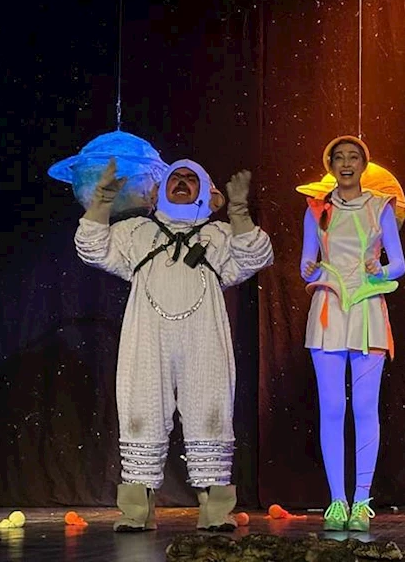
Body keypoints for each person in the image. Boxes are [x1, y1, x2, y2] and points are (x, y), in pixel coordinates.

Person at [75, 156, 274, 532]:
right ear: (156, 193)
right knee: (141, 412)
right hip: (147, 337)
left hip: (204, 338)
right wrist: (101, 204)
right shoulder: (136, 232)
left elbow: (257, 256)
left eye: (191, 178)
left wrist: (238, 213)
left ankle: (216, 510)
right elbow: (92, 249)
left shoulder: (219, 236)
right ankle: (137, 511)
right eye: (174, 177)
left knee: (210, 413)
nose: (182, 181)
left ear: (208, 195)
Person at [300, 135, 405, 532]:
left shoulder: (381, 207)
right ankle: (337, 501)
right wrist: (309, 269)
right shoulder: (317, 209)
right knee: (331, 407)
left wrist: (380, 269)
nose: (346, 163)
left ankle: (362, 501)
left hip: (367, 312)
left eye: (354, 157)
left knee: (364, 407)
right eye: (339, 157)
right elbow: (306, 263)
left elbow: (399, 264)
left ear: (364, 165)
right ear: (329, 165)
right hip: (328, 312)